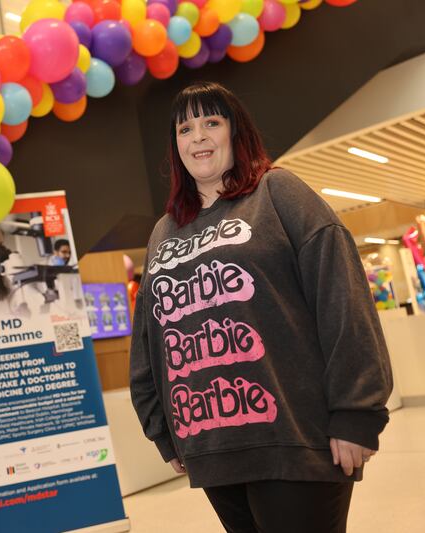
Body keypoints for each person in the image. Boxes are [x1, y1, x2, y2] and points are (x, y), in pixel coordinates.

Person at [130, 81, 393, 533]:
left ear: (237, 132)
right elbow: (149, 336)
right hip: (213, 448)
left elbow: (341, 295)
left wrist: (356, 411)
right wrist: (162, 428)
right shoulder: (164, 231)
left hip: (296, 438)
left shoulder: (277, 192)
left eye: (212, 122)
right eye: (185, 128)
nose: (198, 137)